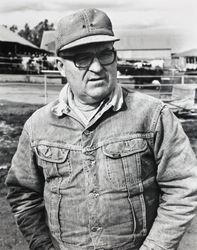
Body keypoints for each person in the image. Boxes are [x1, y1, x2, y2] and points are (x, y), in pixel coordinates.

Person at [5, 8, 197, 250]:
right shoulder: (38, 126)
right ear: (61, 66)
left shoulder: (152, 116)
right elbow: (23, 193)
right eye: (82, 58)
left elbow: (183, 189)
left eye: (106, 54)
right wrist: (43, 245)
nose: (97, 67)